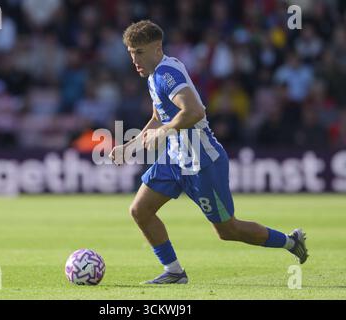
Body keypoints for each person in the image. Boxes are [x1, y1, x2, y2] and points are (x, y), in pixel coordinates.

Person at [109, 20, 308, 284]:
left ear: (157, 48)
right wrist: (131, 145)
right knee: (140, 210)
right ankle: (175, 272)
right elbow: (160, 114)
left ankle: (290, 242)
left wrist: (164, 132)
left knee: (228, 230)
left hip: (202, 163)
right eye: (131, 53)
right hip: (174, 159)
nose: (135, 59)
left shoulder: (168, 75)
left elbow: (195, 111)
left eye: (140, 52)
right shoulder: (154, 75)